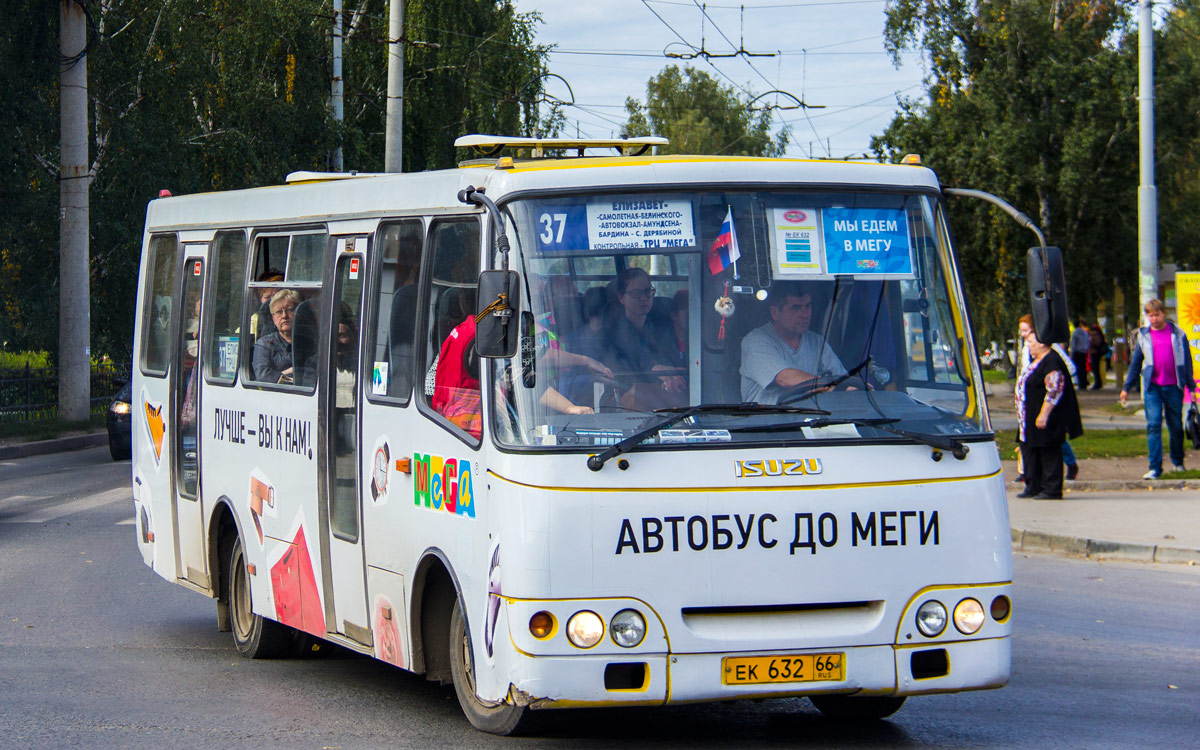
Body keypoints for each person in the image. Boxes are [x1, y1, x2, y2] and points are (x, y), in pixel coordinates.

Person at [1120, 298, 1199, 479]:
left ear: (1164, 314)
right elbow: (1136, 363)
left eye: (1157, 314)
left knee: (1176, 426)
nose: (1154, 318)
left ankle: (1178, 462)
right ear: (1147, 316)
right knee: (1153, 425)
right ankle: (1155, 467)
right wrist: (1126, 387)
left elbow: (1186, 361)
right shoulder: (1143, 336)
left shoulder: (1178, 334)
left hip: (1174, 386)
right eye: (1150, 315)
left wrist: (1191, 387)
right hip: (1152, 387)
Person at [740, 281, 847, 404]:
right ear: (775, 313)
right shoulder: (755, 342)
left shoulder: (816, 342)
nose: (805, 314)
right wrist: (833, 385)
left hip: (813, 419)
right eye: (795, 308)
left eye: (807, 306)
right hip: (766, 420)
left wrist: (852, 387)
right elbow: (785, 378)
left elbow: (842, 379)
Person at [1015, 329, 1083, 499]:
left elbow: (1054, 391)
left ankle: (1051, 488)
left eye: (1031, 342)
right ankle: (1033, 486)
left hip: (1045, 416)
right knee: (1030, 449)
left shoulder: (1051, 361)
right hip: (1027, 417)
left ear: (1042, 343)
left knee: (1048, 450)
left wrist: (1044, 414)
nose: (1028, 346)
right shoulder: (1036, 360)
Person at [605, 267, 686, 407]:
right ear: (621, 298)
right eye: (636, 293)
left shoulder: (661, 331)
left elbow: (670, 359)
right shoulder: (614, 333)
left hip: (661, 398)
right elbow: (639, 362)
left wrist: (672, 377)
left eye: (648, 291)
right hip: (620, 401)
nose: (644, 298)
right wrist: (659, 372)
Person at [253, 290, 299, 383]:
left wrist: (282, 374)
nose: (284, 316)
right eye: (279, 312)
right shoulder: (265, 344)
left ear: (298, 312)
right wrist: (291, 372)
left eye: (289, 310)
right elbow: (263, 375)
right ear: (273, 318)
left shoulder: (311, 341)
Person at [1069, 317, 1090, 390]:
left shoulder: (1075, 333)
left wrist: (1071, 353)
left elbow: (1073, 344)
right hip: (1083, 352)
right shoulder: (1084, 333)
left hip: (1077, 352)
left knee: (1077, 368)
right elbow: (1087, 342)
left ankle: (1080, 383)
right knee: (1083, 368)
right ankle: (1084, 383)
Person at [1087, 324, 1109, 389]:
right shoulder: (1099, 334)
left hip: (1095, 353)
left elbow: (1096, 342)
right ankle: (1098, 383)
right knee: (1096, 369)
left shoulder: (1094, 335)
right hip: (1096, 352)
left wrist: (1091, 343)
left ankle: (1098, 383)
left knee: (1095, 369)